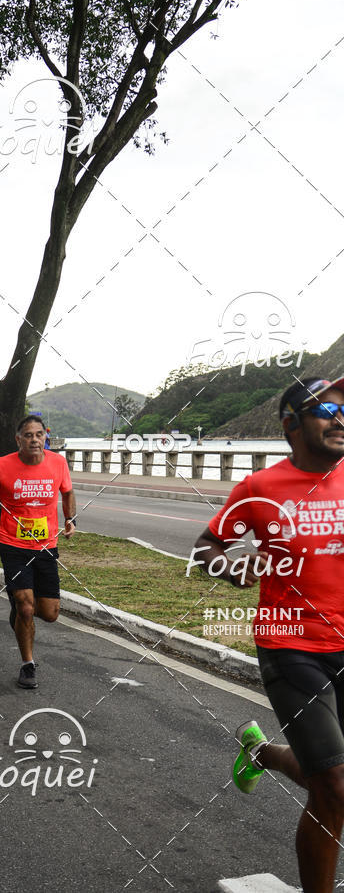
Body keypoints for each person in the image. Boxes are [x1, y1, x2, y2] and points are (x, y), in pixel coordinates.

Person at [192, 377, 344, 893]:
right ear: (291, 423)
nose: (341, 418)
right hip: (292, 644)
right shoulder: (259, 488)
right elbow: (206, 547)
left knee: (336, 781)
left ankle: (264, 754)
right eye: (327, 408)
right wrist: (232, 566)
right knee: (334, 785)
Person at [0, 415, 77, 689]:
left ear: (46, 437)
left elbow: (67, 493)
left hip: (46, 547)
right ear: (18, 439)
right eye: (29, 435)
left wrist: (71, 519)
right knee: (25, 605)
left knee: (50, 613)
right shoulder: (2, 465)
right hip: (13, 546)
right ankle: (27, 665)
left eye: (39, 434)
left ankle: (19, 611)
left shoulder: (58, 463)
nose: (35, 439)